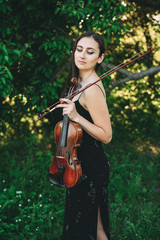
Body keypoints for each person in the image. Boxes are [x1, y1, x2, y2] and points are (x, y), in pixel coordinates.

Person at [56, 31, 112, 240]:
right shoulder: (77, 81)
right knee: (83, 228)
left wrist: (77, 116)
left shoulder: (92, 89)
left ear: (100, 58)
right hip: (77, 164)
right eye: (79, 49)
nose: (82, 55)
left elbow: (106, 136)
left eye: (90, 52)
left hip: (91, 166)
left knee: (95, 230)